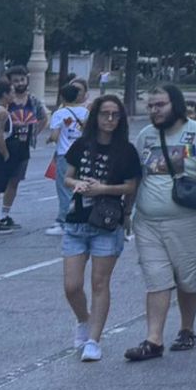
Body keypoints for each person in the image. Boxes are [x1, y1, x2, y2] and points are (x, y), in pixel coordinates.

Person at [123, 84, 196, 363]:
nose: (154, 111)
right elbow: (137, 177)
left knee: (188, 279)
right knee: (156, 278)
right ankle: (154, 340)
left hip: (188, 221)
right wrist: (127, 212)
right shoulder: (146, 136)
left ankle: (187, 329)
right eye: (150, 106)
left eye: (160, 105)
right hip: (148, 223)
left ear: (176, 104)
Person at [60, 93, 139, 362]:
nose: (109, 119)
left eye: (115, 115)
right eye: (105, 114)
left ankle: (94, 339)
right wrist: (77, 185)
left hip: (107, 222)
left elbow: (131, 186)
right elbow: (67, 176)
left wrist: (105, 189)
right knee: (71, 286)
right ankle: (84, 320)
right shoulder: (82, 145)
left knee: (99, 283)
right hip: (77, 221)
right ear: (95, 117)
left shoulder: (126, 150)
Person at [0, 69, 45, 230]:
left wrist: (34, 133)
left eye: (22, 79)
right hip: (5, 146)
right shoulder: (3, 103)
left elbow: (43, 117)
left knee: (14, 181)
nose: (20, 83)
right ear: (9, 83)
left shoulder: (33, 101)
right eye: (16, 80)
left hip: (23, 148)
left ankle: (4, 215)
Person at [46, 80, 90, 235]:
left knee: (65, 188)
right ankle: (80, 217)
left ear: (62, 97)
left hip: (65, 153)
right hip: (83, 153)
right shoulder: (85, 113)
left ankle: (64, 220)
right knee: (80, 186)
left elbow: (55, 135)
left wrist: (51, 139)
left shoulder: (59, 114)